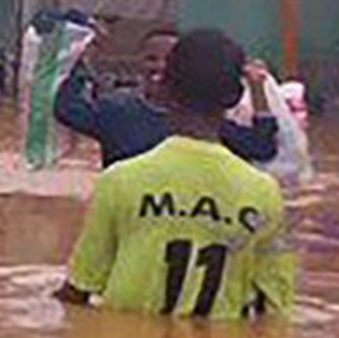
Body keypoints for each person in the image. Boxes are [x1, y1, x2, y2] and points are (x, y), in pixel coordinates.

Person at [57, 29, 296, 320]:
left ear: (166, 89)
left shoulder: (118, 181)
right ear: (234, 99)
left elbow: (79, 290)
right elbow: (275, 307)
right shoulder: (264, 192)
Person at [55, 28, 279, 168]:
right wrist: (80, 61)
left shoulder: (203, 122)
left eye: (169, 60)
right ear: (138, 63)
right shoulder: (117, 111)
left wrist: (258, 88)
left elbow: (262, 147)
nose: (160, 67)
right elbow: (66, 109)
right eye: (151, 59)